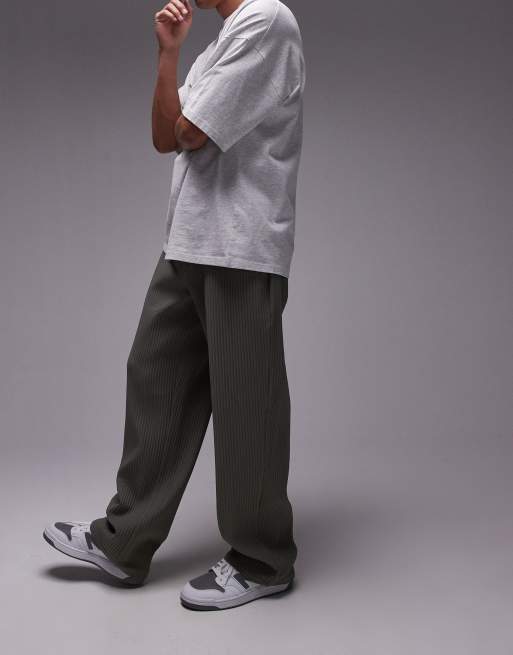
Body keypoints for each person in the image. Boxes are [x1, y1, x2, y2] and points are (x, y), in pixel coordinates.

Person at [43, 0, 305, 611]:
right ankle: (124, 541)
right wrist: (169, 53)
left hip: (242, 247)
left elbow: (191, 132)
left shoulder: (268, 20)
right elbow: (164, 137)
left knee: (247, 405)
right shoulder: (218, 45)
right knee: (154, 376)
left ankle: (262, 560)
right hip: (189, 241)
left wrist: (182, 107)